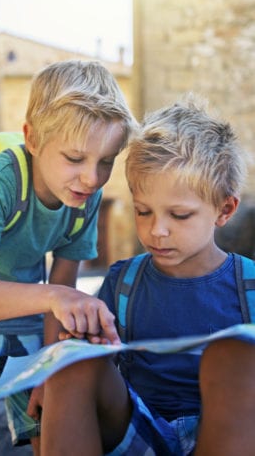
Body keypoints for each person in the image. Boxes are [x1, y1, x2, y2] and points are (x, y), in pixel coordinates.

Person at [0, 60, 137, 456]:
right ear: (32, 139)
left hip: (25, 305)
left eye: (106, 161)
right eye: (75, 158)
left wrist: (50, 368)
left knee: (44, 411)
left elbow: (61, 287)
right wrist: (52, 296)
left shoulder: (85, 199)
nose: (92, 178)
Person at [40, 95, 255, 456]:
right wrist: (78, 347)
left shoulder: (249, 284)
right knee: (72, 362)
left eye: (180, 215)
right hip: (139, 427)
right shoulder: (124, 282)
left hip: (230, 434)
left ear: (225, 209)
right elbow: (97, 371)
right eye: (143, 212)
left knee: (233, 355)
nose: (157, 231)